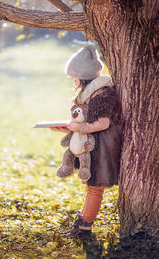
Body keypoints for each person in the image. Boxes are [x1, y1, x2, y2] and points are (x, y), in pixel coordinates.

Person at [51, 45, 122, 238]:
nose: (73, 82)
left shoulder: (102, 94)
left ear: (83, 77)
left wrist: (80, 128)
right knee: (91, 186)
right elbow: (86, 119)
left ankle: (84, 227)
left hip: (102, 147)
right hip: (93, 143)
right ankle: (82, 221)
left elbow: (103, 122)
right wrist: (68, 127)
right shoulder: (89, 93)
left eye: (74, 78)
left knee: (94, 187)